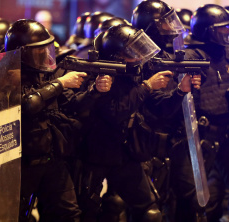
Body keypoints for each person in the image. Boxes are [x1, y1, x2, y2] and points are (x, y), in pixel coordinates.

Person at [77, 23, 199, 222]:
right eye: (133, 52)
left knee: (150, 213)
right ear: (118, 56)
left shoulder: (135, 74)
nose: (139, 56)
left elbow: (161, 110)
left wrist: (180, 92)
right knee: (87, 212)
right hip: (96, 156)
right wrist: (148, 86)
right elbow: (116, 111)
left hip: (126, 155)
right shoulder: (101, 75)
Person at [4, 19, 113, 222]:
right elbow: (28, 104)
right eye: (38, 52)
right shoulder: (8, 76)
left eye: (46, 50)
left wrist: (94, 92)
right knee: (14, 216)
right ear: (22, 52)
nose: (45, 56)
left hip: (52, 160)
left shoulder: (46, 76)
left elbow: (74, 106)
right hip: (21, 165)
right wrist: (61, 83)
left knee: (69, 215)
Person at [131, 0, 203, 221]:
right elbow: (158, 107)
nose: (170, 29)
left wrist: (193, 87)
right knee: (149, 208)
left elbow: (183, 104)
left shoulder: (166, 55)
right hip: (148, 145)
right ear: (150, 27)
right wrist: (180, 92)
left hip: (176, 140)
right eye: (164, 24)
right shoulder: (137, 61)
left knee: (187, 200)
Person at [186, 4, 229, 222]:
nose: (226, 33)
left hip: (225, 130)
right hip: (202, 134)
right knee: (199, 196)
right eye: (221, 29)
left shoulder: (226, 53)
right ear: (207, 31)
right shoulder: (193, 56)